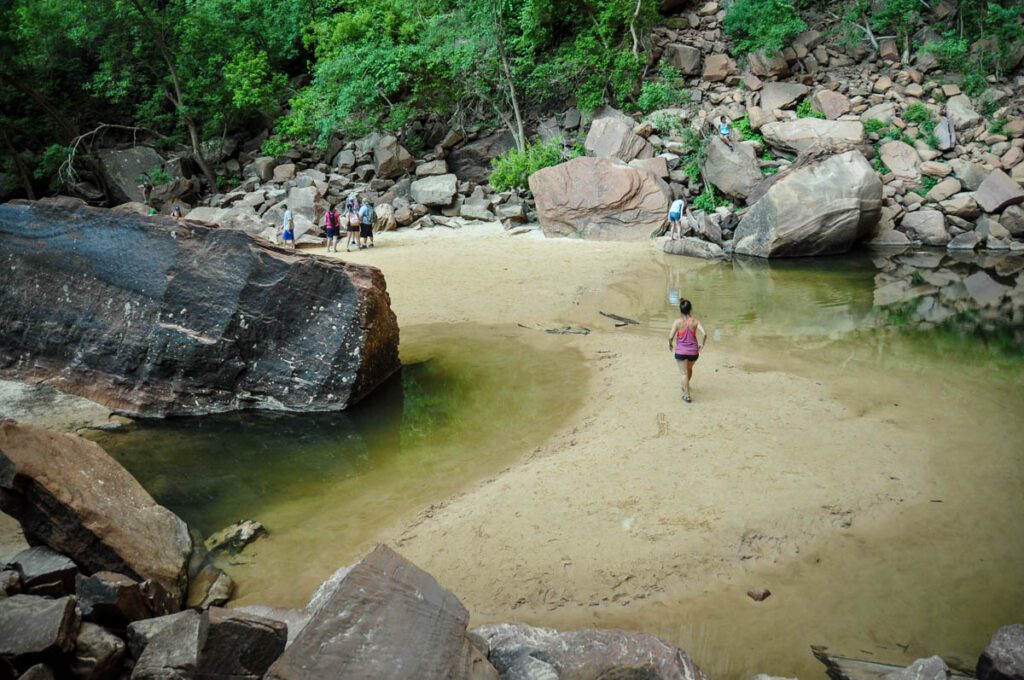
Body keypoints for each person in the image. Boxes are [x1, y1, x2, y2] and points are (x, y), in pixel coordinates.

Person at [668, 298, 707, 403]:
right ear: (690, 309)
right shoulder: (695, 321)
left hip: (681, 352)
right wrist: (702, 344)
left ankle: (687, 395)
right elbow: (705, 334)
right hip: (693, 352)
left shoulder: (677, 322)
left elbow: (670, 336)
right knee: (689, 370)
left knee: (683, 373)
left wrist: (670, 344)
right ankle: (686, 386)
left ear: (680, 310)